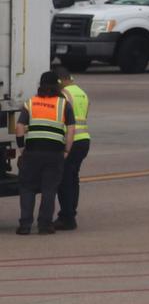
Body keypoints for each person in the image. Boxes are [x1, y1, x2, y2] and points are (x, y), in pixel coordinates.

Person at [10, 72, 73, 236]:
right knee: (49, 189)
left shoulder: (31, 103)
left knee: (27, 188)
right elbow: (71, 130)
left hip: (33, 151)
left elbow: (19, 127)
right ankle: (45, 225)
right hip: (54, 152)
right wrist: (66, 150)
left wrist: (22, 148)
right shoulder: (64, 104)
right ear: (57, 86)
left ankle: (25, 225)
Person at [52, 64, 89, 231]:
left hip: (70, 140)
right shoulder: (82, 93)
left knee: (64, 181)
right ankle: (70, 214)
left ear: (60, 80)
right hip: (84, 140)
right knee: (73, 179)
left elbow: (61, 119)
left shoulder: (64, 94)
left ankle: (67, 217)